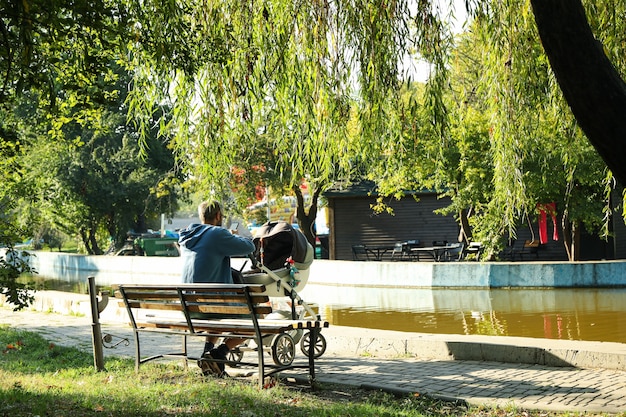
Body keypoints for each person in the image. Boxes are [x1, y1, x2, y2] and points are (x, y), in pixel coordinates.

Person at [178, 200, 255, 377]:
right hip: (211, 306)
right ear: (219, 216)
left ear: (201, 216)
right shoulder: (218, 234)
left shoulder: (187, 235)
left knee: (216, 310)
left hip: (190, 307)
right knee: (257, 319)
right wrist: (235, 235)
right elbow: (249, 246)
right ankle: (219, 353)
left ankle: (207, 354)